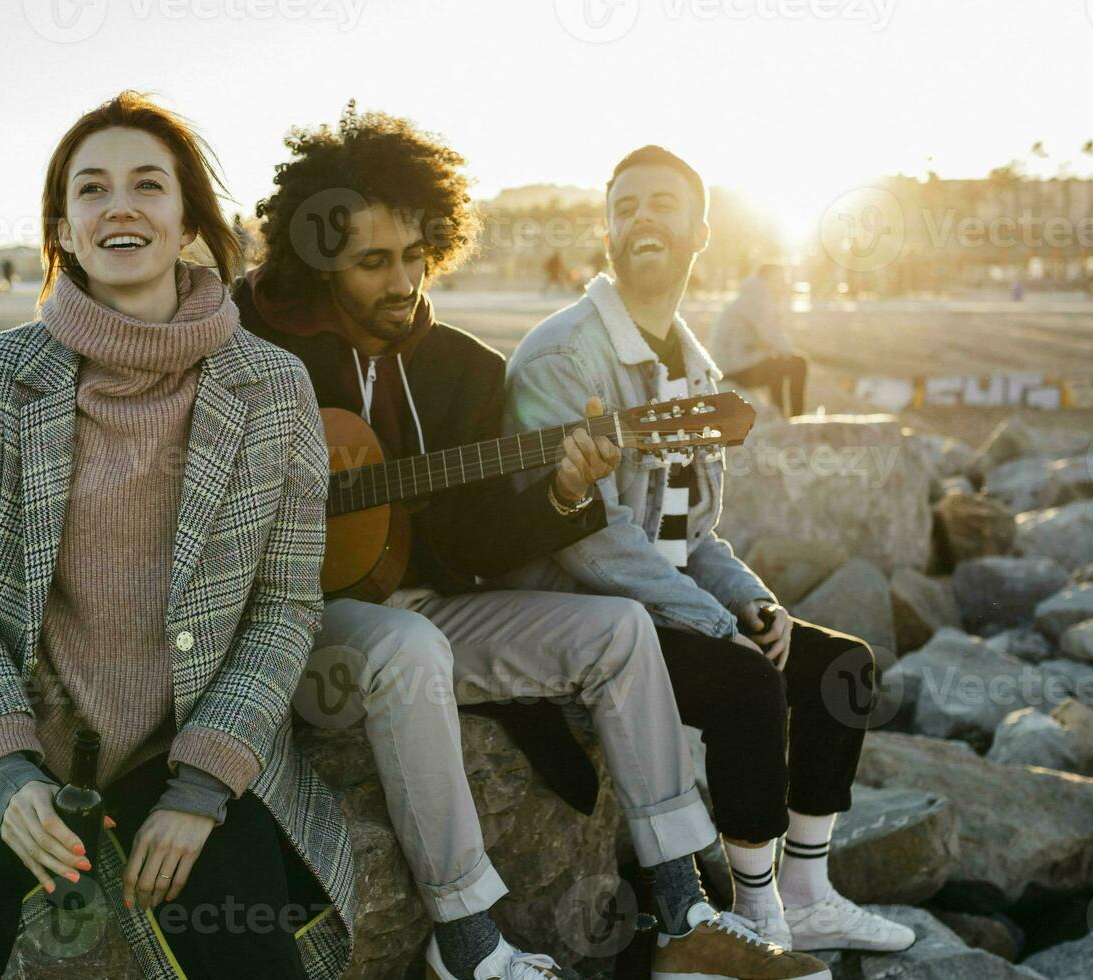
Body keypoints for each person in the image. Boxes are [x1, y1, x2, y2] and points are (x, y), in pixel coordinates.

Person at [238, 106, 824, 980]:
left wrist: (563, 486)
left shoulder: (461, 368)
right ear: (320, 260)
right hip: (294, 628)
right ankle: (468, 941)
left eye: (415, 255)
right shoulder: (256, 347)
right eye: (372, 263)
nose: (403, 283)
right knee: (408, 645)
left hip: (424, 607)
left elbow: (476, 542)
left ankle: (682, 912)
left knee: (621, 629)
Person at [0, 90, 354, 980]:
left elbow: (286, 606)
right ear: (65, 226)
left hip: (188, 744)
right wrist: (3, 771)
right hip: (19, 737)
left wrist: (205, 783)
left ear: (188, 224)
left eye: (148, 185)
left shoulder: (272, 387)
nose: (119, 205)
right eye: (91, 189)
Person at [497, 145, 916, 968]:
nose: (642, 217)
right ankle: (756, 916)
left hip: (661, 596)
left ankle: (805, 892)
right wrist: (712, 620)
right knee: (746, 681)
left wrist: (752, 600)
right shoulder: (563, 356)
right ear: (607, 230)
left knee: (842, 668)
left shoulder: (697, 367)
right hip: (582, 614)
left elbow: (694, 534)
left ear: (700, 232)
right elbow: (589, 540)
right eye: (625, 206)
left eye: (662, 203)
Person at [709, 263, 807, 417]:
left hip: (732, 365)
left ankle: (782, 415)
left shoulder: (752, 295)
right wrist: (791, 353)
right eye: (781, 279)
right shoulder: (757, 298)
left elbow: (769, 336)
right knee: (797, 363)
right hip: (732, 369)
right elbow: (773, 335)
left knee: (780, 362)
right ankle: (792, 417)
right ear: (768, 278)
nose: (784, 284)